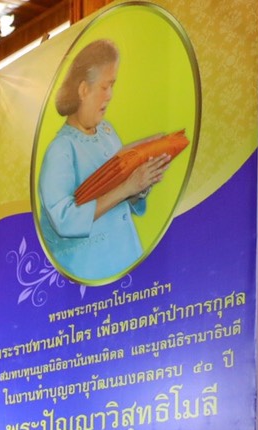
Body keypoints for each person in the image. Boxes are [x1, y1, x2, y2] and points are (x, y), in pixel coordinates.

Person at [37, 39, 171, 284]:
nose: (110, 96)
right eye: (105, 86)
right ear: (83, 90)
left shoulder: (107, 132)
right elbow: (64, 220)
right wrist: (127, 188)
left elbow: (123, 195)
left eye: (113, 86)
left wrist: (141, 185)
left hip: (128, 260)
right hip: (91, 277)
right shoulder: (61, 150)